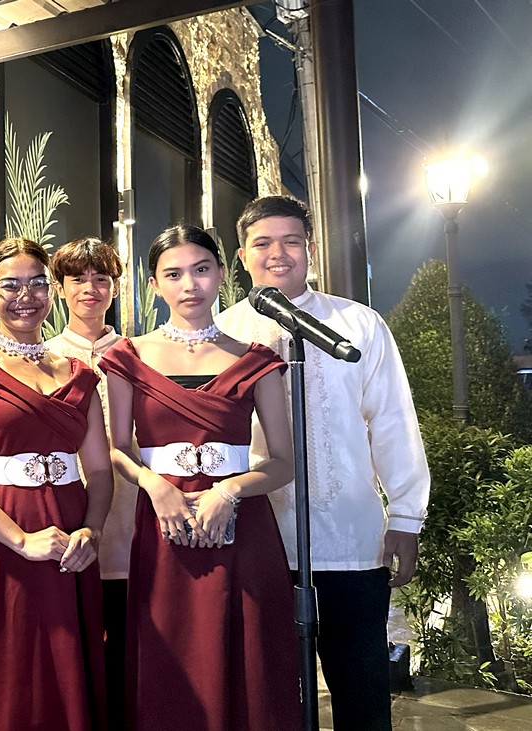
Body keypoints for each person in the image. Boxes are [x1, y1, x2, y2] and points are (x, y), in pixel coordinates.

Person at [215, 195, 430, 730]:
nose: (278, 253)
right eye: (263, 243)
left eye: (291, 241)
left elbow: (393, 423)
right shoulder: (220, 335)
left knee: (361, 692)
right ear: (242, 255)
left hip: (352, 543)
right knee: (268, 697)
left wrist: (405, 517)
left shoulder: (357, 325)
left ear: (310, 250)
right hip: (259, 541)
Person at [100, 224, 301, 731]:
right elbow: (118, 448)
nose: (189, 284)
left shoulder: (258, 360)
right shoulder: (128, 356)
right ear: (153, 285)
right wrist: (155, 485)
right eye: (173, 274)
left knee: (248, 658)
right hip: (165, 527)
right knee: (173, 654)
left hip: (242, 529)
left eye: (201, 269)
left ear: (221, 275)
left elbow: (282, 461)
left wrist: (230, 491)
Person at [0, 237, 112, 731]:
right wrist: (19, 539)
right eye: (9, 285)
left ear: (52, 292)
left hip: (70, 531)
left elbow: (98, 470)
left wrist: (92, 531)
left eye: (37, 283)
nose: (25, 296)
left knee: (69, 658)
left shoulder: (80, 375)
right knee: (7, 661)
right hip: (0, 533)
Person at [45, 236, 137, 723]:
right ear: (60, 289)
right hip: (62, 508)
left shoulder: (137, 353)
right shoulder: (46, 357)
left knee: (126, 647)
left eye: (101, 279)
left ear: (116, 287)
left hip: (129, 513)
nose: (90, 288)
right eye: (78, 279)